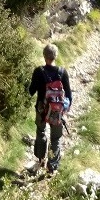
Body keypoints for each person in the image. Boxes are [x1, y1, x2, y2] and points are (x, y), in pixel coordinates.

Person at [28, 42, 72, 173]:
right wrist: (63, 109)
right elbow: (69, 96)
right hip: (57, 111)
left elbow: (31, 91)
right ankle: (52, 166)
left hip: (41, 109)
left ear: (44, 55)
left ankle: (41, 159)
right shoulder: (62, 72)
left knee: (41, 132)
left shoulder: (38, 71)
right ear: (55, 56)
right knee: (56, 138)